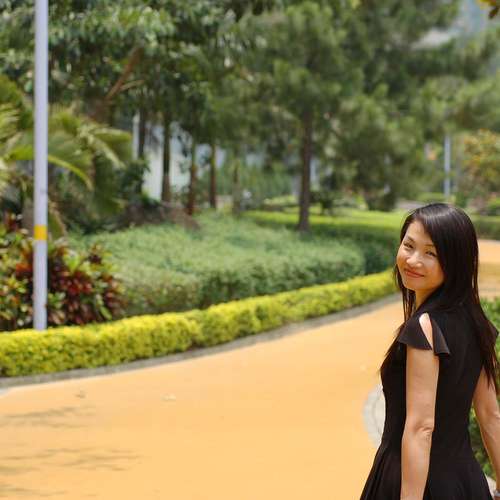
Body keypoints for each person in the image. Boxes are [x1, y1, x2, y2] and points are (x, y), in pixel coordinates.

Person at [359, 202, 500, 499]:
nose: (413, 260)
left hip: (412, 481)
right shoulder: (476, 322)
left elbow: (421, 427)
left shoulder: (424, 327)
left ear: (456, 262)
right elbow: (490, 414)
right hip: (465, 482)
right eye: (408, 246)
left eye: (431, 253)